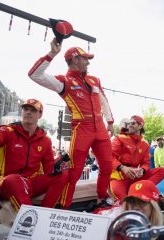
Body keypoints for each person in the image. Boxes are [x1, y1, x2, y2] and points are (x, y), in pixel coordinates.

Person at [28, 39, 114, 209]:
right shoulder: (64, 81)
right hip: (81, 130)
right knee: (74, 172)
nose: (88, 62)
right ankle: (64, 206)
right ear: (75, 60)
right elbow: (34, 75)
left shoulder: (94, 80)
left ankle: (101, 199)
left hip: (101, 130)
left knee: (107, 166)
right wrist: (52, 53)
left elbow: (104, 100)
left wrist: (110, 121)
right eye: (85, 59)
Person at [0, 99, 68, 211]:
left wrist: (59, 162)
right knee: (15, 180)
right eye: (25, 109)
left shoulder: (46, 140)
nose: (28, 112)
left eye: (33, 110)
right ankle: (32, 218)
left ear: (40, 115)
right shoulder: (7, 131)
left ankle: (45, 213)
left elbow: (49, 170)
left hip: (30, 184)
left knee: (62, 174)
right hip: (5, 182)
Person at [110, 115, 164, 202]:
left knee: (161, 171)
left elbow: (146, 163)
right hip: (119, 178)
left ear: (140, 126)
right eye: (129, 123)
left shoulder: (145, 143)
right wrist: (123, 167)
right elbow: (110, 157)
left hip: (135, 177)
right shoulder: (119, 138)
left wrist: (142, 170)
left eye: (133, 123)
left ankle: (139, 188)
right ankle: (138, 191)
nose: (129, 125)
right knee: (125, 203)